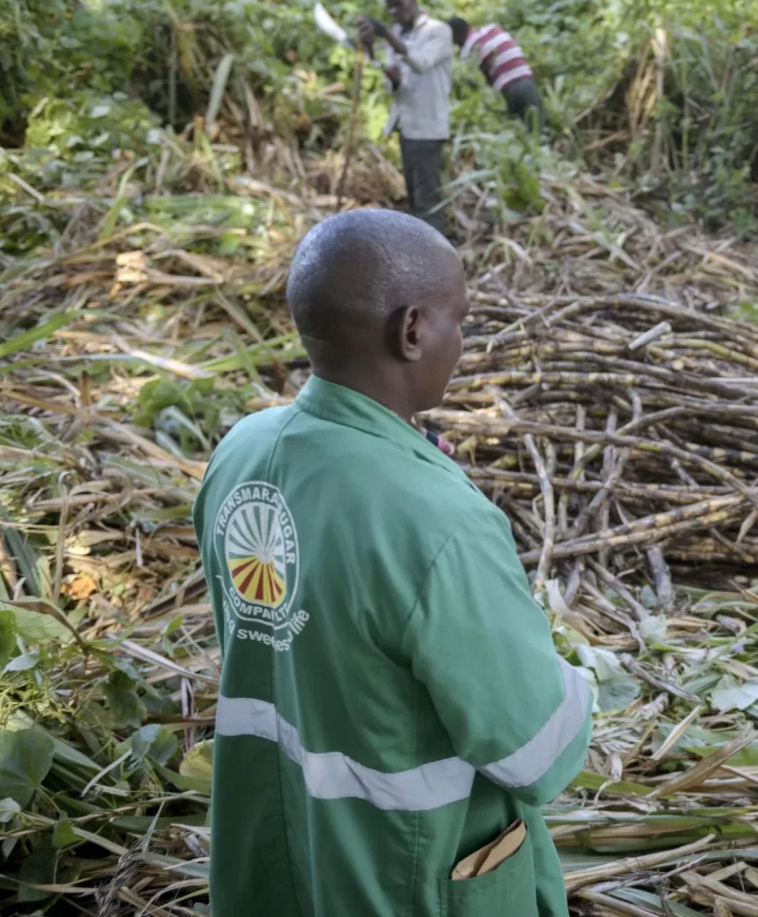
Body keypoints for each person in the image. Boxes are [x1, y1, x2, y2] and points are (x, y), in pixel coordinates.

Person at [194, 209, 592, 917]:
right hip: (402, 875)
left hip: (275, 863)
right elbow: (533, 751)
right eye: (458, 321)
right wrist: (577, 677)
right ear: (411, 331)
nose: (463, 343)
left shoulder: (241, 455)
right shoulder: (438, 522)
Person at [358, 0, 455, 235]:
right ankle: (423, 255)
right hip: (407, 127)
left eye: (398, 4)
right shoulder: (398, 34)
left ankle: (438, 257)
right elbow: (396, 82)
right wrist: (371, 47)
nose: (395, 12)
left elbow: (421, 63)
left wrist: (385, 34)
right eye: (389, 8)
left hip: (428, 128)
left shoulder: (438, 31)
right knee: (414, 199)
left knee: (429, 202)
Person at [448, 16, 544, 134]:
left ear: (456, 37)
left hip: (508, 91)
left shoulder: (468, 52)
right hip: (527, 83)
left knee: (518, 136)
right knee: (538, 135)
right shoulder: (493, 29)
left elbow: (477, 85)